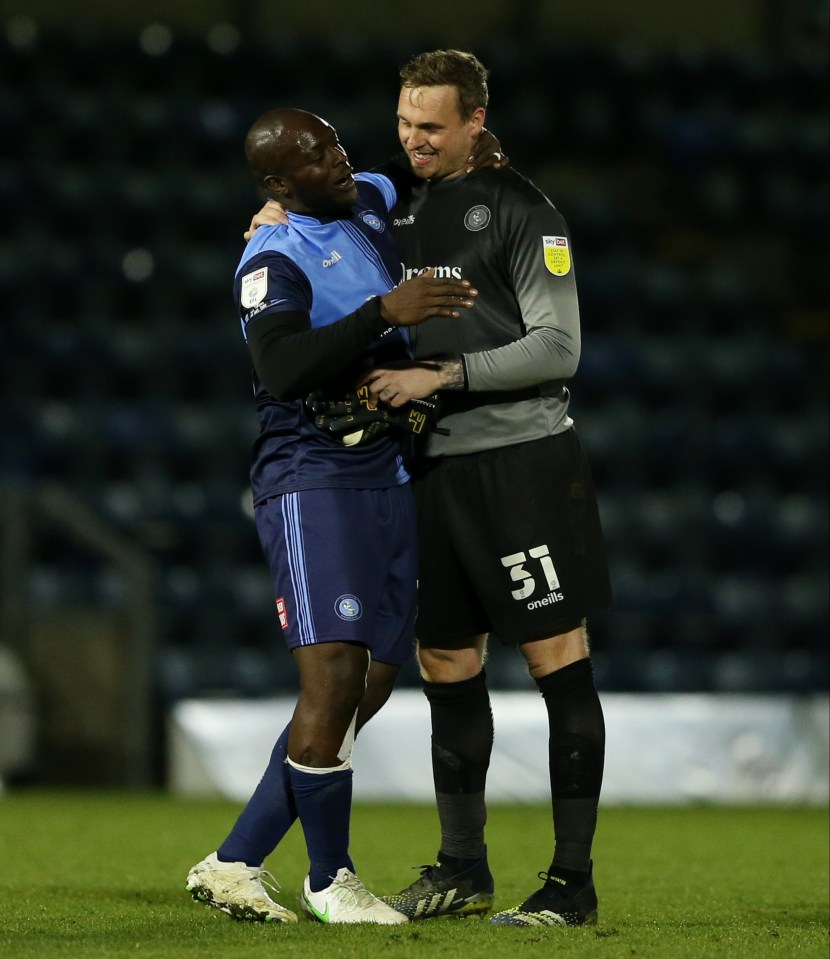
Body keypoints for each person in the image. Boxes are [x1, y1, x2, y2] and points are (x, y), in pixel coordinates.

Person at [247, 49, 612, 929]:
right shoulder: (386, 207)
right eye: (405, 123)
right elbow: (309, 219)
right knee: (445, 661)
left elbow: (558, 348)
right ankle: (463, 867)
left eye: (433, 126)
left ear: (476, 120)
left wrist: (440, 375)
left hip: (521, 460)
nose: (413, 140)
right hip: (427, 468)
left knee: (555, 656)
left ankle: (570, 882)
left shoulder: (528, 211)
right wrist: (267, 215)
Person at [185, 106, 478, 926]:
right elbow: (279, 366)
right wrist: (385, 312)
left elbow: (421, 162)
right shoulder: (271, 252)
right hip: (312, 475)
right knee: (334, 677)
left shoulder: (369, 195)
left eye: (336, 143)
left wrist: (464, 139)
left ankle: (235, 860)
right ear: (277, 185)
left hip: (382, 467)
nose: (339, 160)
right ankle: (330, 876)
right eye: (314, 157)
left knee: (370, 683)